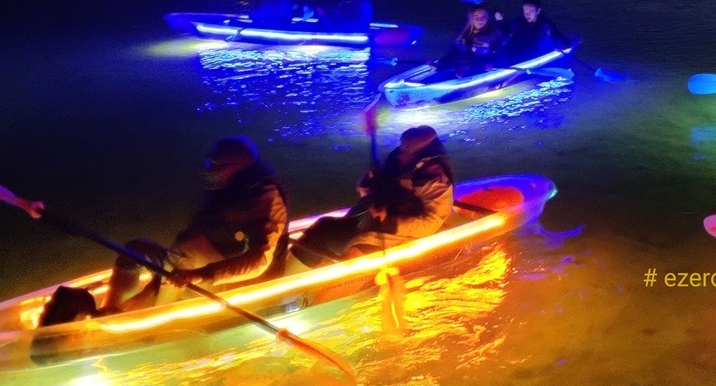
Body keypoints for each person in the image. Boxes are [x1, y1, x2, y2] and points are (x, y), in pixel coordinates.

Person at [39, 137, 290, 323]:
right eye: (210, 164)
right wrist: (156, 284)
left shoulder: (264, 198)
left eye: (218, 166)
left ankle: (155, 323)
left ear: (241, 166)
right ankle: (110, 314)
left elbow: (260, 260)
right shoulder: (223, 192)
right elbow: (186, 248)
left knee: (187, 250)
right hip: (196, 263)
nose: (211, 171)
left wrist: (201, 275)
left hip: (234, 276)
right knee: (136, 249)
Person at [291, 125, 455, 266]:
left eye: (406, 150)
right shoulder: (400, 162)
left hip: (398, 231)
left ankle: (327, 288)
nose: (400, 153)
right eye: (402, 147)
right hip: (372, 219)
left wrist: (390, 223)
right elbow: (373, 193)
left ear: (419, 154)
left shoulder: (434, 179)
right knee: (324, 227)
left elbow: (433, 221)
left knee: (354, 255)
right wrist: (368, 185)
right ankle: (296, 278)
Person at [438, 4, 508, 75]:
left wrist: (491, 64)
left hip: (487, 73)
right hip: (466, 74)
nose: (480, 20)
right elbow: (453, 53)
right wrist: (440, 64)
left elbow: (499, 53)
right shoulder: (463, 36)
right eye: (476, 17)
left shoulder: (494, 34)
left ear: (487, 18)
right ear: (471, 19)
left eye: (483, 17)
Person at [503, 0, 569, 62]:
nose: (527, 14)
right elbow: (505, 31)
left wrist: (560, 46)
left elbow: (564, 42)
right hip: (517, 60)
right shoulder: (518, 23)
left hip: (538, 59)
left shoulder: (547, 25)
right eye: (525, 10)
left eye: (531, 11)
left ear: (538, 11)